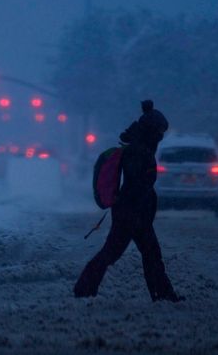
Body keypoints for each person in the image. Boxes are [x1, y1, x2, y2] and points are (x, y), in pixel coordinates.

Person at [74, 100, 183, 302]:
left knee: (150, 254)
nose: (160, 136)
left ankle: (163, 294)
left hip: (135, 213)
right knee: (113, 253)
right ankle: (83, 289)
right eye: (159, 132)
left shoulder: (140, 148)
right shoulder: (138, 151)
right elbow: (137, 185)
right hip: (131, 214)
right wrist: (139, 210)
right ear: (151, 131)